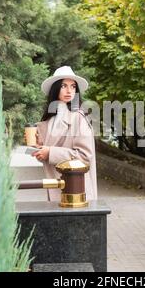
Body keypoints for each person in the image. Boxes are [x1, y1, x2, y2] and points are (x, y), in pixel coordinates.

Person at [31, 66, 97, 202]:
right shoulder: (48, 122)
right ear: (55, 89)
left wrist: (50, 153)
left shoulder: (79, 118)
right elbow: (49, 156)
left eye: (73, 87)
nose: (69, 91)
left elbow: (84, 157)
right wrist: (39, 150)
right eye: (64, 86)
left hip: (77, 192)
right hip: (57, 191)